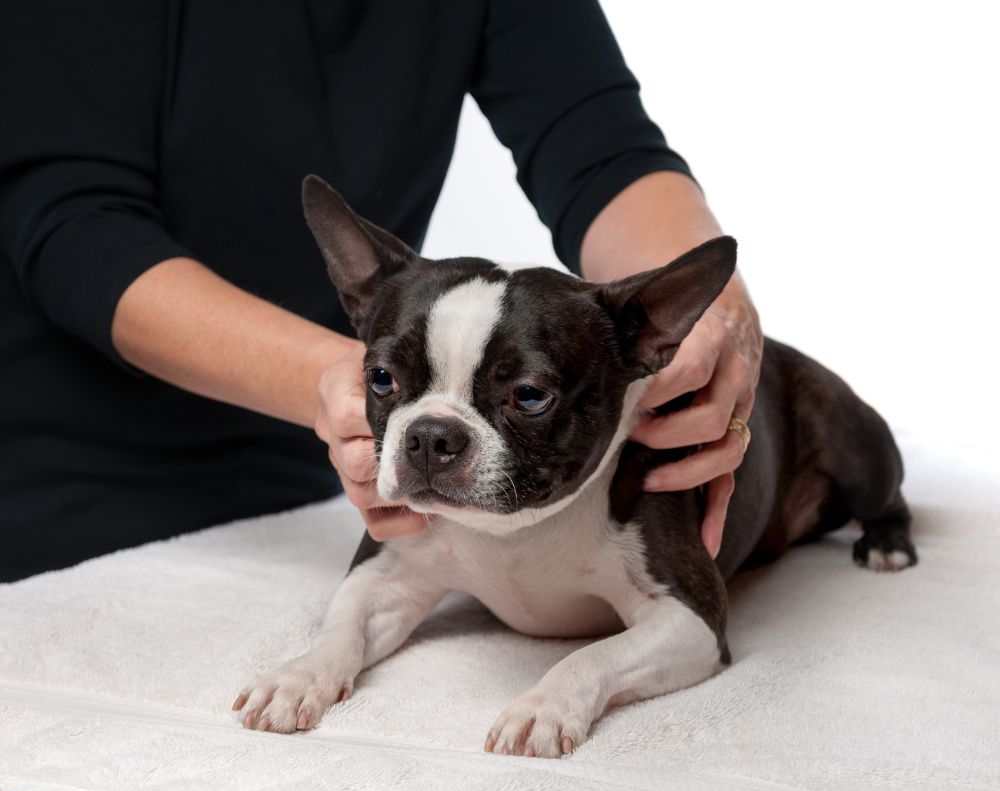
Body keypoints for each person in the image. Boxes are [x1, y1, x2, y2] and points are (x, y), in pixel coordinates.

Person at [0, 0, 762, 582]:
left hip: (323, 480)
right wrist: (339, 381)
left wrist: (709, 321)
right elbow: (73, 225)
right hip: (54, 483)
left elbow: (602, 151)